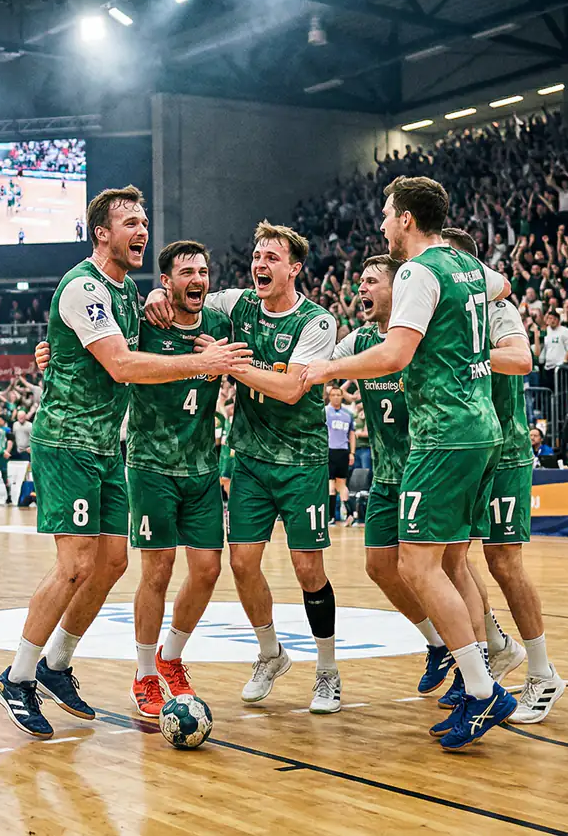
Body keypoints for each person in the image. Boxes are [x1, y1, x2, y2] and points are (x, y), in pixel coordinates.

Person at [0, 185, 249, 739]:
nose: (142, 231)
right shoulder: (83, 287)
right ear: (101, 233)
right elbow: (123, 365)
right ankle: (17, 677)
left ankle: (56, 665)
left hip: (108, 446)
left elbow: (114, 336)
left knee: (111, 564)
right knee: (75, 565)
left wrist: (152, 299)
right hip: (69, 441)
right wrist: (205, 364)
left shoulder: (128, 292)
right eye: (130, 222)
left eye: (144, 222)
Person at [300, 176, 517, 750]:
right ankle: (478, 678)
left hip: (443, 433)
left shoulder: (418, 272)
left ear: (406, 219)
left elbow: (396, 353)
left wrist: (328, 370)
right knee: (448, 564)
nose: (381, 224)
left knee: (418, 567)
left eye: (386, 214)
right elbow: (503, 284)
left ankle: (482, 689)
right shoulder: (467, 266)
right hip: (481, 429)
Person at [148, 221, 343, 714]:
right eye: (257, 257)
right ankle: (270, 653)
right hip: (251, 459)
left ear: (294, 268)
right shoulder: (238, 304)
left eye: (272, 258)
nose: (260, 264)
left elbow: (291, 388)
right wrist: (156, 294)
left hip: (301, 460)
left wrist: (230, 366)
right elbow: (185, 298)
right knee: (241, 564)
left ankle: (327, 670)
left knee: (308, 569)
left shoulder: (317, 322)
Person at [39, 240, 232, 719]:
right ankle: (145, 674)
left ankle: (170, 658)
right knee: (157, 571)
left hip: (202, 465)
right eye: (186, 272)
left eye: (203, 271)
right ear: (165, 282)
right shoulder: (145, 322)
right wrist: (51, 353)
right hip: (149, 464)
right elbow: (99, 348)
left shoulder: (220, 322)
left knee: (208, 570)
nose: (197, 279)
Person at [440, 228, 563, 724]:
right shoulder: (445, 310)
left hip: (506, 451)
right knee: (449, 557)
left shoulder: (496, 308)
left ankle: (543, 671)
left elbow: (521, 359)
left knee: (504, 563)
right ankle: (493, 645)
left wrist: (465, 355)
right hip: (468, 449)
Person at [332, 255, 457, 696]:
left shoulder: (418, 338)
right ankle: (438, 643)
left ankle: (476, 659)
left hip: (425, 470)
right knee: (379, 567)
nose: (361, 289)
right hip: (386, 476)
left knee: (443, 571)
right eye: (360, 282)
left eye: (371, 282)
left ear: (397, 289)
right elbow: (318, 359)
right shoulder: (361, 339)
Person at [325, 386, 355, 524]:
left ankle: (349, 514)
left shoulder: (347, 414)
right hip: (329, 450)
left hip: (343, 451)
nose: (336, 397)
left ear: (342, 397)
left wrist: (352, 452)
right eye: (333, 395)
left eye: (338, 395)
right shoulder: (325, 412)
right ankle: (332, 516)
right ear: (329, 397)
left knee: (341, 484)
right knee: (330, 484)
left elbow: (352, 434)